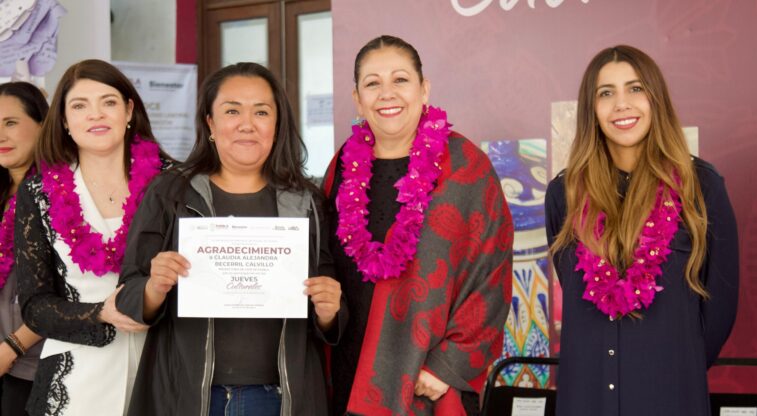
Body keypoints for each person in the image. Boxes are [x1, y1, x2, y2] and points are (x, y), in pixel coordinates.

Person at [115, 62, 345, 416]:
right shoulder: (171, 193)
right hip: (187, 395)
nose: (246, 124)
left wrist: (330, 310)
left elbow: (332, 314)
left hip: (282, 398)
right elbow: (129, 295)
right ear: (210, 122)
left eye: (262, 112)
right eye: (232, 110)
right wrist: (153, 287)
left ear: (277, 123)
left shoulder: (307, 202)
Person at [324, 35, 513, 416]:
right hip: (348, 375)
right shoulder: (341, 167)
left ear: (424, 90)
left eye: (400, 80)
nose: (386, 93)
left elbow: (492, 273)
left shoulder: (465, 166)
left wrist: (450, 365)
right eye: (372, 83)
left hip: (427, 384)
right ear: (358, 98)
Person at [545, 45, 739, 416]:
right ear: (592, 110)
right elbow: (570, 286)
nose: (622, 104)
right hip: (586, 400)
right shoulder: (564, 194)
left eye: (635, 89)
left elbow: (720, 312)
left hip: (670, 396)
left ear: (656, 99)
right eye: (606, 93)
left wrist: (670, 363)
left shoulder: (702, 187)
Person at [14, 60, 171, 416]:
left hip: (162, 370)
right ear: (65, 121)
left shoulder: (173, 184)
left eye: (109, 102)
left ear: (129, 110)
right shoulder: (38, 193)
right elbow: (35, 307)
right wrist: (102, 313)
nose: (95, 115)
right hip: (75, 380)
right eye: (80, 105)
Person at [0, 82, 47, 415]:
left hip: (32, 366)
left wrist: (10, 349)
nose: (0, 135)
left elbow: (69, 292)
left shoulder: (60, 197)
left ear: (42, 125)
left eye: (10, 123)